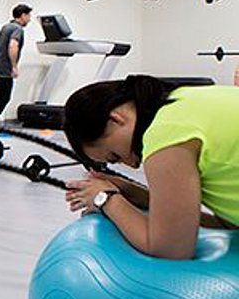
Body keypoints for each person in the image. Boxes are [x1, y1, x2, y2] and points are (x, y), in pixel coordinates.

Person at [62, 76, 239, 259]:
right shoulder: (184, 100)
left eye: (115, 156)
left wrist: (105, 198)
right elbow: (228, 224)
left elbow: (172, 250)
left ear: (115, 119)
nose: (133, 164)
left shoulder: (165, 136)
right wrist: (145, 198)